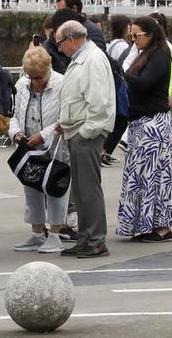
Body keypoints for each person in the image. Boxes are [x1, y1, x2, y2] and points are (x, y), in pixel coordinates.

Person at [57, 16, 118, 259]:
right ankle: (86, 238)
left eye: (60, 43)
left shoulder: (91, 59)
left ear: (71, 40)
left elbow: (99, 101)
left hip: (86, 133)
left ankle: (95, 240)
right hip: (79, 129)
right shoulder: (83, 58)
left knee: (88, 189)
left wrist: (85, 131)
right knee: (82, 190)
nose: (59, 48)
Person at [116, 16, 172, 242]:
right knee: (140, 177)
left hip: (153, 124)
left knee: (154, 177)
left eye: (137, 36)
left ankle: (160, 226)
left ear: (150, 35)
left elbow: (144, 84)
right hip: (141, 123)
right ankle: (143, 224)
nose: (133, 40)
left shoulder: (160, 56)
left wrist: (121, 73)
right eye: (131, 36)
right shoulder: (144, 55)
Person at [10, 46, 68, 255]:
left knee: (56, 187)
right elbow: (13, 114)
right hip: (28, 147)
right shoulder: (22, 84)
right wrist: (16, 133)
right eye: (31, 77)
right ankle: (36, 233)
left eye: (39, 77)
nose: (35, 82)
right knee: (31, 187)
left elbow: (67, 117)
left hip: (56, 146)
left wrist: (43, 136)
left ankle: (54, 234)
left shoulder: (62, 83)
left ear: (48, 69)